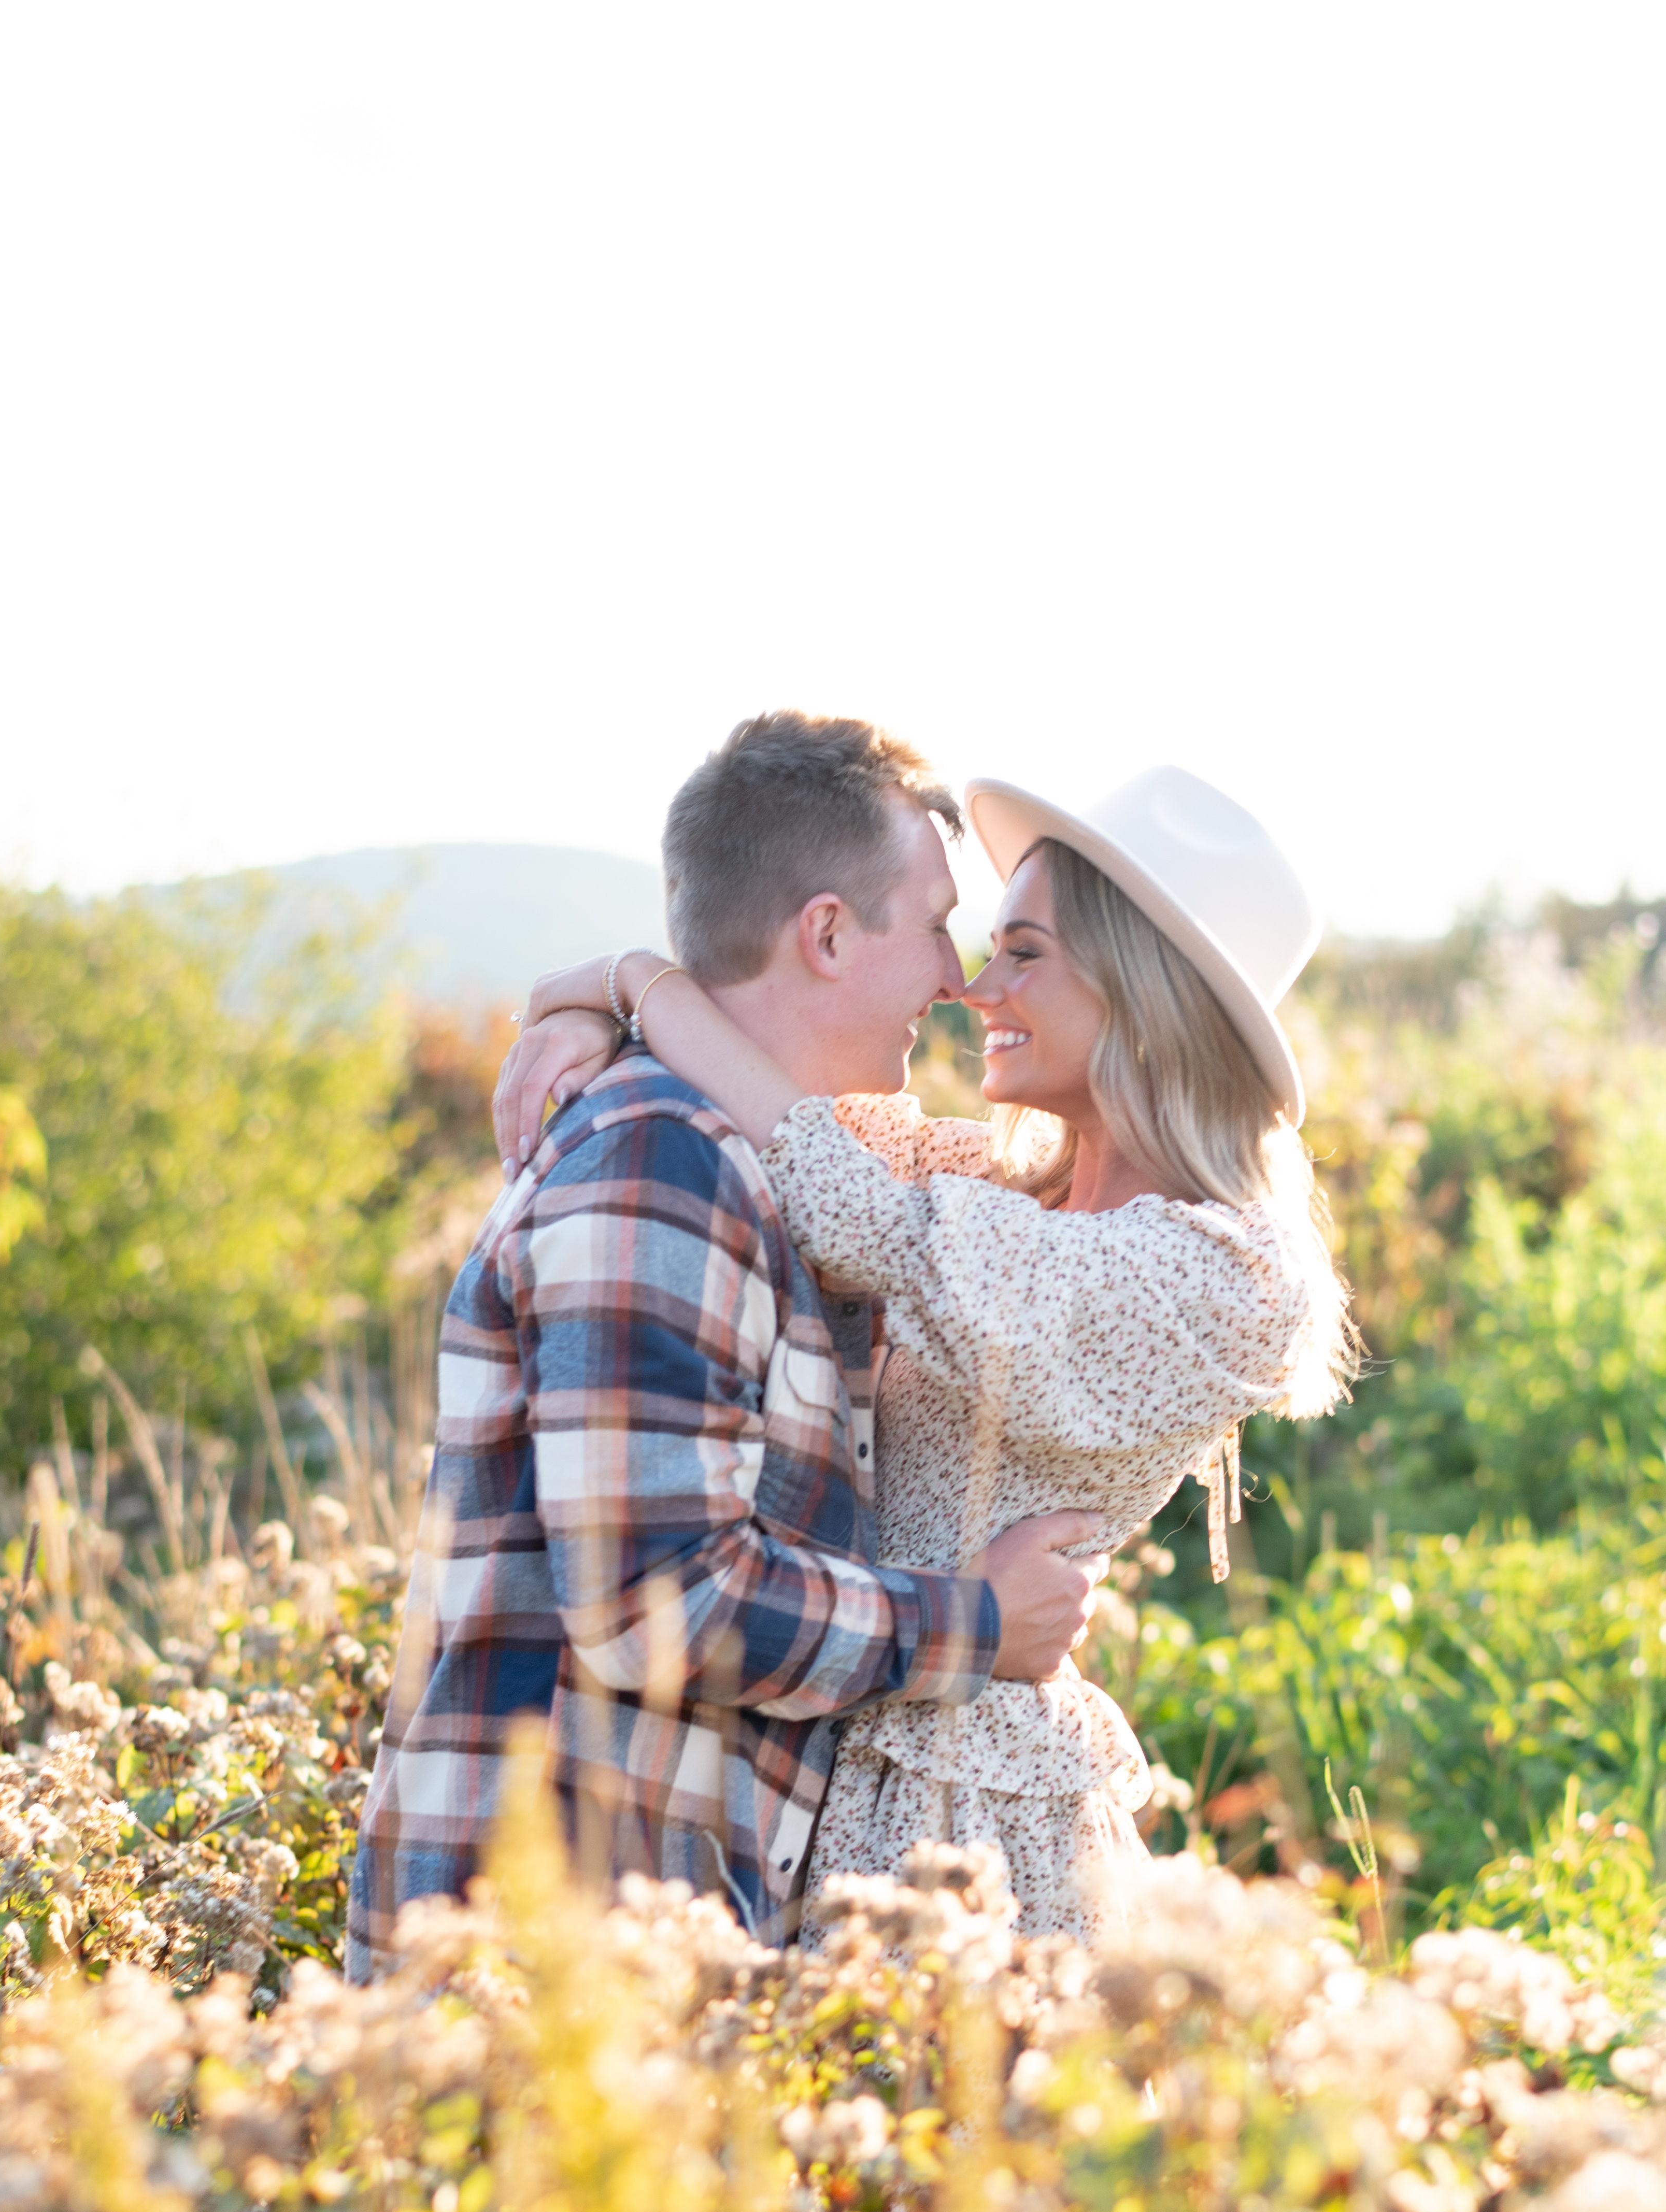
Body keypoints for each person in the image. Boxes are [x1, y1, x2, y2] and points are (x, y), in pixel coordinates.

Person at [492, 762, 1360, 1944]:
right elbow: (789, 1079)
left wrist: (638, 979)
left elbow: (828, 1178)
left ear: (1139, 990)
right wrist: (584, 999)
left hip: (964, 1802)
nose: (971, 986)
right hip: (838, 1729)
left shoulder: (1216, 1270)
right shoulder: (1016, 1189)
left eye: (1023, 954)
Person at [343, 711, 1108, 1977]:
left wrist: (609, 992)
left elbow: (1064, 1183)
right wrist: (972, 1623)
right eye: (932, 922)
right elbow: (663, 1604)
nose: (956, 976)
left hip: (639, 1940)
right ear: (823, 932)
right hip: (536, 1955)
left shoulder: (785, 1162)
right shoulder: (663, 1159)